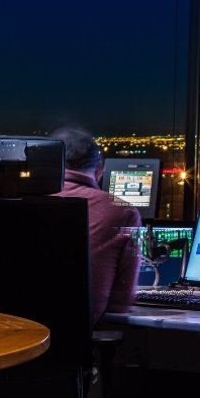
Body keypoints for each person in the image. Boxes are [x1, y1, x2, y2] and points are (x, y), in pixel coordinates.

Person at [49, 126, 142, 326]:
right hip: (70, 341)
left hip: (7, 344)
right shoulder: (123, 212)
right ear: (99, 171)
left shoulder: (19, 201)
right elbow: (121, 302)